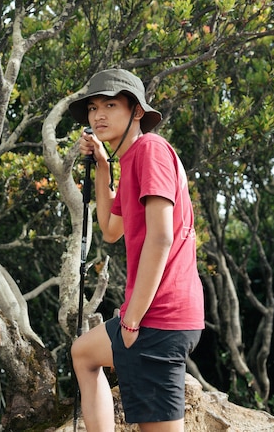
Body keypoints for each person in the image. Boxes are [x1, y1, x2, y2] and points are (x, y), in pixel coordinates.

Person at [69, 68, 204, 432]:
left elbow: (161, 238)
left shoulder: (150, 150)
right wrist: (101, 165)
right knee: (83, 353)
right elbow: (112, 230)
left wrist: (132, 318)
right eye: (94, 107)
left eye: (111, 105)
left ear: (137, 112)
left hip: (158, 318)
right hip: (156, 316)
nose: (98, 115)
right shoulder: (130, 160)